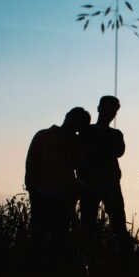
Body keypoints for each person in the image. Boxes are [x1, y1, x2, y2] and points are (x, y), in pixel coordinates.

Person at [25, 107, 90, 261]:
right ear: (67, 117)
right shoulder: (43, 136)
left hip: (64, 196)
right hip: (41, 193)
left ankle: (55, 273)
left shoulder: (78, 143)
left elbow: (82, 166)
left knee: (60, 237)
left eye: (80, 124)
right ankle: (37, 271)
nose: (75, 125)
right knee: (39, 235)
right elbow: (31, 163)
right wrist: (31, 188)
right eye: (75, 119)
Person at [78, 96, 131, 258]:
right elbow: (79, 155)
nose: (111, 113)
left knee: (119, 224)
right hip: (90, 184)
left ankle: (125, 260)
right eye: (108, 109)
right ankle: (88, 260)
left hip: (111, 184)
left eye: (114, 111)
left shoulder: (115, 134)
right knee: (88, 224)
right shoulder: (87, 131)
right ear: (99, 109)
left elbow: (119, 151)